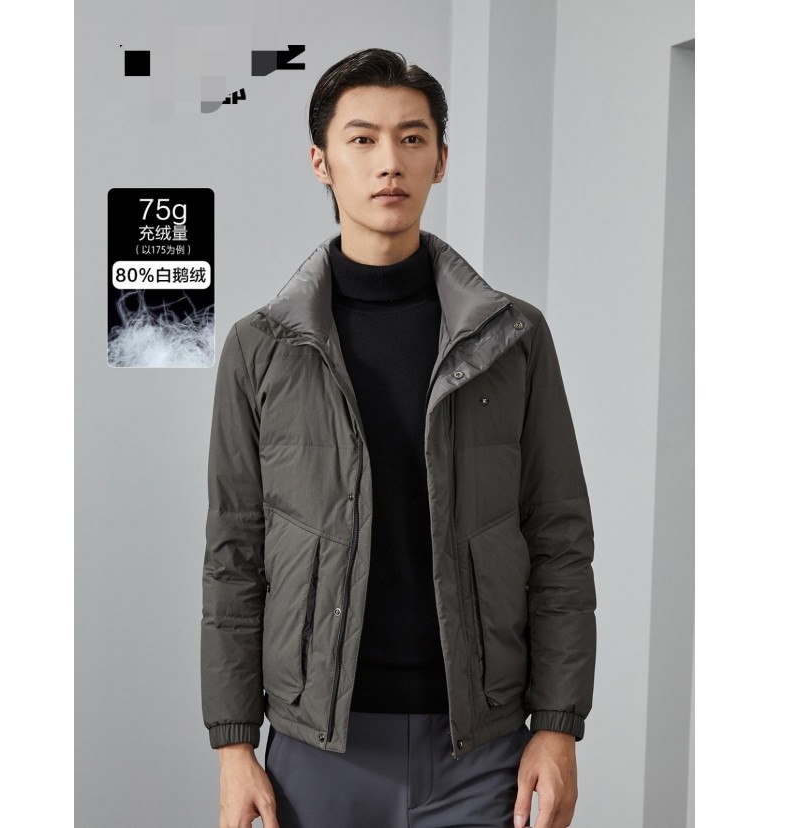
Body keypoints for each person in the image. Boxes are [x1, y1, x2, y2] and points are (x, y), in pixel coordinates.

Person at [201, 48, 597, 828]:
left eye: (413, 138)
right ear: (321, 162)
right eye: (363, 139)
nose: (390, 161)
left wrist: (557, 726)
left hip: (479, 749)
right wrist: (234, 745)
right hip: (319, 751)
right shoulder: (261, 348)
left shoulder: (513, 339)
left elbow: (558, 540)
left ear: (441, 160)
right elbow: (234, 555)